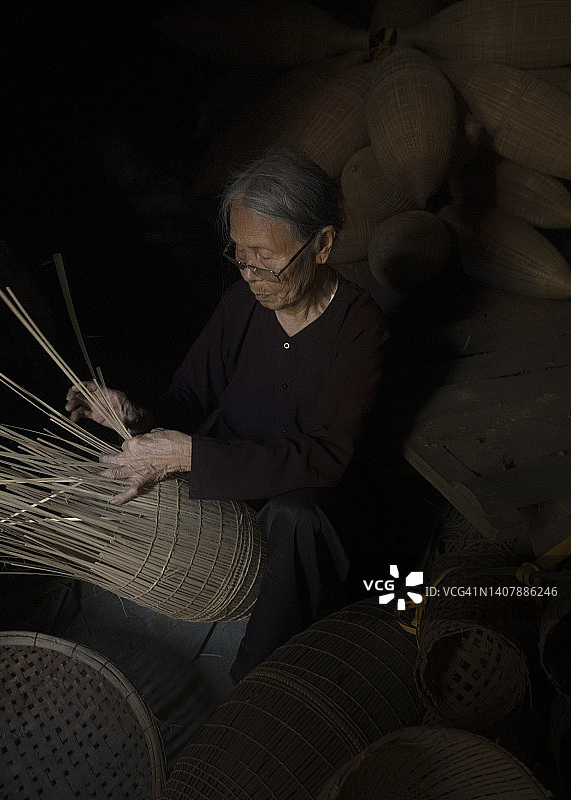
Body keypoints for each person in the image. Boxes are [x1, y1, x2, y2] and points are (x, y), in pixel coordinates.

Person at [65, 146, 389, 682]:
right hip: (229, 486)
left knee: (298, 514)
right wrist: (135, 413)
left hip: (310, 506)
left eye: (266, 258)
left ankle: (256, 683)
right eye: (240, 256)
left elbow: (327, 457)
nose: (252, 274)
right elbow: (188, 399)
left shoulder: (360, 327)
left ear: (323, 244)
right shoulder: (244, 303)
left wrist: (192, 455)